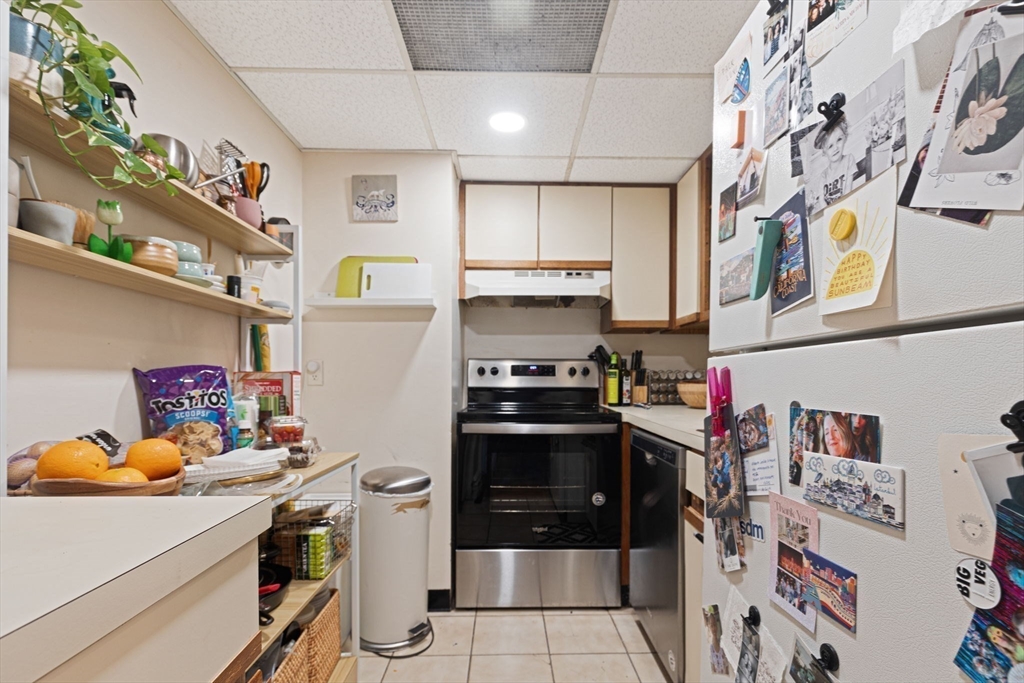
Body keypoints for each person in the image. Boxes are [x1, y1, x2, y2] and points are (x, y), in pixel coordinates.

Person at [809, 117, 860, 214]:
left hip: (847, 209)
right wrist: (830, 212)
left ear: (845, 138)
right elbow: (821, 199)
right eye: (830, 146)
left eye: (839, 140)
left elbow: (848, 189)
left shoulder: (848, 159)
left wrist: (843, 209)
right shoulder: (824, 175)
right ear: (824, 152)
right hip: (833, 214)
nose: (836, 148)